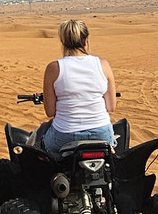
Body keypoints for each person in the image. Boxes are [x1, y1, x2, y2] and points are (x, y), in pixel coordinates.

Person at [41, 19, 117, 156]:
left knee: (40, 146)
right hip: (102, 134)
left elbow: (50, 111)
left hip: (64, 135)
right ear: (86, 40)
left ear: (63, 42)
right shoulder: (103, 65)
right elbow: (111, 106)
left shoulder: (54, 68)